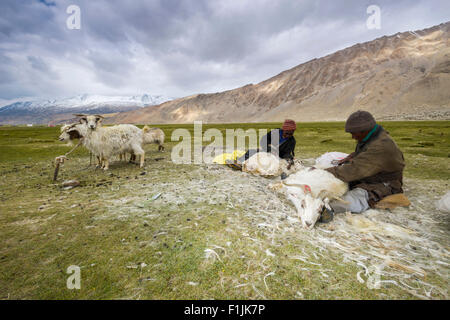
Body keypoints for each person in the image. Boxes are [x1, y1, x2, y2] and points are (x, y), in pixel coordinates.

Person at [319, 110, 405, 223]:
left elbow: (352, 171)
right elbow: (366, 153)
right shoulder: (373, 135)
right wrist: (353, 156)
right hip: (371, 174)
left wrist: (321, 172)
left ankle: (328, 209)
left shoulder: (381, 146)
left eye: (354, 133)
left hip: (384, 183)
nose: (353, 137)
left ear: (364, 130)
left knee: (355, 197)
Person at [226, 119, 297, 170]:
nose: (288, 135)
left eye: (291, 133)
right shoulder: (276, 132)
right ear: (283, 129)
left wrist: (288, 159)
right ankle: (239, 162)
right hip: (266, 150)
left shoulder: (292, 141)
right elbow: (264, 140)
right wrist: (268, 147)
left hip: (277, 156)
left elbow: (286, 153)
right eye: (287, 133)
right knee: (251, 151)